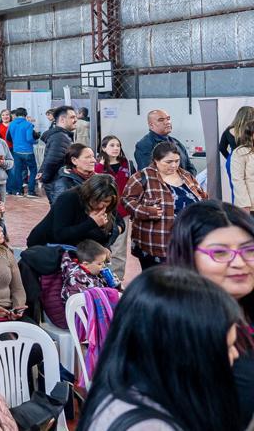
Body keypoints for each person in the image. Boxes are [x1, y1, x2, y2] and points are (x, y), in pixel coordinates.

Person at [78, 266, 243, 431]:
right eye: (226, 347)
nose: (235, 354)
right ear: (183, 351)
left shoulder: (144, 385)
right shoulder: (148, 426)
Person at [167, 200, 254, 426]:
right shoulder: (173, 329)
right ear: (187, 256)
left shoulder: (245, 311)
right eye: (220, 253)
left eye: (249, 249)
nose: (239, 262)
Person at [123, 141, 208, 269]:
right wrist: (146, 211)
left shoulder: (186, 175)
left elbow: (202, 197)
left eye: (177, 161)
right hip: (156, 244)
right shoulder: (142, 177)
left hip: (187, 242)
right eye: (168, 162)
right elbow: (127, 200)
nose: (174, 165)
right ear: (156, 161)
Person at [27, 173, 122, 248]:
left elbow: (118, 224)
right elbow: (60, 234)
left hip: (75, 249)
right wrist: (92, 223)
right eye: (97, 200)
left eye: (106, 201)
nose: (101, 205)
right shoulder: (69, 198)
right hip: (46, 246)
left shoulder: (108, 206)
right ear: (89, 195)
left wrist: (106, 244)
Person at [94, 135, 136, 279]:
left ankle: (116, 278)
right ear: (104, 148)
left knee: (119, 247)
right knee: (102, 244)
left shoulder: (127, 164)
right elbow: (93, 183)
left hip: (122, 212)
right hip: (103, 211)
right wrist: (100, 165)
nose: (116, 148)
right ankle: (100, 276)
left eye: (118, 145)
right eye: (111, 145)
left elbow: (135, 184)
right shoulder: (98, 166)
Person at [134, 109, 197, 175]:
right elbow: (149, 174)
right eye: (161, 120)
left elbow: (191, 168)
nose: (167, 122)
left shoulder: (177, 143)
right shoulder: (144, 145)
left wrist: (187, 181)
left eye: (168, 118)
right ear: (151, 125)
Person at [40, 105, 77, 203]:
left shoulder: (62, 136)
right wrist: (45, 179)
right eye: (72, 117)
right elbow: (52, 161)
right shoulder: (61, 137)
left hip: (57, 183)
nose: (75, 120)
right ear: (62, 119)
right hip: (57, 184)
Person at [59, 239, 115, 304]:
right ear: (86, 264)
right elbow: (81, 303)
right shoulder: (76, 278)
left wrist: (114, 284)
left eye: (104, 262)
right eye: (99, 264)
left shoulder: (94, 272)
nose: (103, 265)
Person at [6, 108, 39, 197]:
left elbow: (8, 137)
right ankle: (31, 192)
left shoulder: (11, 124)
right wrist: (35, 141)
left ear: (16, 115)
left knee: (18, 171)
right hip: (28, 151)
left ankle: (19, 191)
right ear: (25, 115)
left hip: (16, 151)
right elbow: (29, 138)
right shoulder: (28, 124)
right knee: (33, 170)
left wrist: (16, 142)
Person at [229, 121, 254, 211]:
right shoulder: (240, 152)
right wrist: (244, 205)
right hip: (250, 206)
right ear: (250, 135)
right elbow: (238, 180)